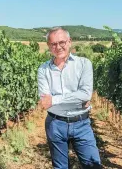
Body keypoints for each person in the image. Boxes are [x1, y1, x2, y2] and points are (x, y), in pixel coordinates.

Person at [37, 26, 101, 169]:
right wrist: (77, 99)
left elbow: (85, 94)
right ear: (48, 46)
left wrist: (54, 100)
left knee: (93, 165)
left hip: (81, 124)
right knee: (60, 167)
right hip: (55, 124)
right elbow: (45, 103)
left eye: (62, 42)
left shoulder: (84, 64)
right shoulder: (43, 70)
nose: (58, 47)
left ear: (69, 42)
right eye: (53, 44)